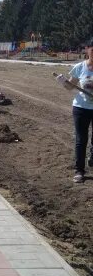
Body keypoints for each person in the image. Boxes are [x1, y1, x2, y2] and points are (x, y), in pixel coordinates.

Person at [56, 37, 93, 183]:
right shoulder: (80, 67)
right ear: (87, 50)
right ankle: (79, 171)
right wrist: (63, 82)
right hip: (81, 108)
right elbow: (70, 87)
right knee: (81, 139)